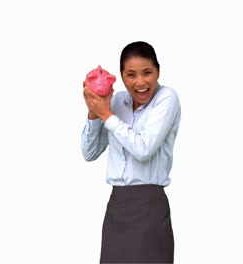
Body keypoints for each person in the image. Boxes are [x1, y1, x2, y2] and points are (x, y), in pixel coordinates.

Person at [81, 41, 181, 264]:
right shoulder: (117, 102)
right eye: (131, 75)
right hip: (117, 207)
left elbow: (143, 148)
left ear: (158, 71)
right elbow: (90, 152)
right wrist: (94, 113)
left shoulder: (167, 98)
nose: (140, 82)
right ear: (121, 76)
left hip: (149, 208)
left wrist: (107, 115)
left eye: (147, 73)